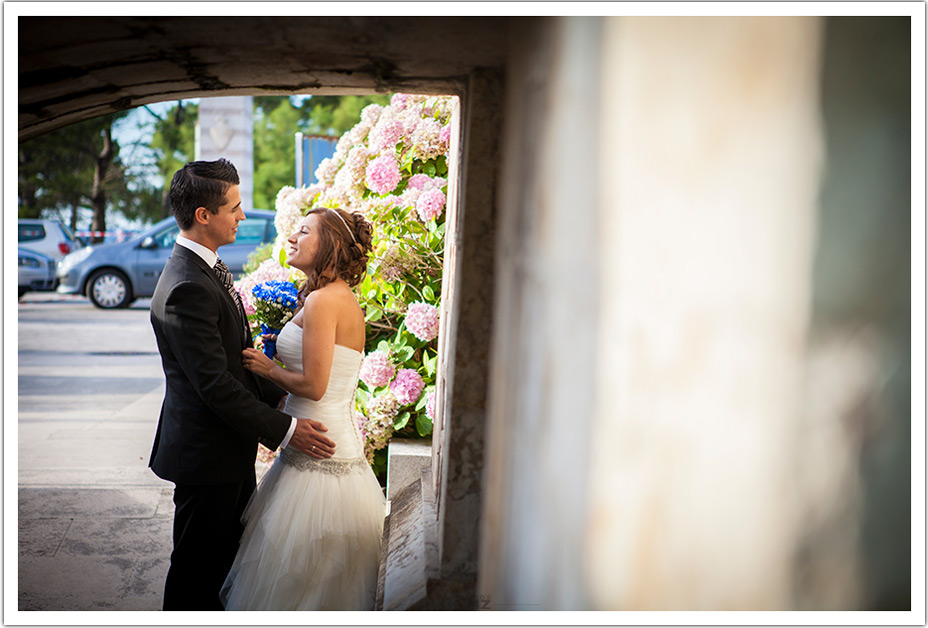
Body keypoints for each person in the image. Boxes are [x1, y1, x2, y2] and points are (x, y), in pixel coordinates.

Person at [148, 159, 337, 611]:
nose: (242, 216)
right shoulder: (186, 286)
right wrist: (287, 430)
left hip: (225, 451)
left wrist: (289, 393)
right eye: (234, 207)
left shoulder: (208, 269)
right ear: (203, 216)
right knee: (196, 575)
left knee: (224, 571)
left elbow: (239, 362)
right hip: (205, 457)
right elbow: (214, 385)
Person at [220, 207, 386, 611]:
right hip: (310, 444)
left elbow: (314, 385)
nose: (292, 237)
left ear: (328, 244)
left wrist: (268, 368)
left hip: (320, 451)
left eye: (304, 231)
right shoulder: (328, 295)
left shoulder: (326, 302)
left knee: (303, 580)